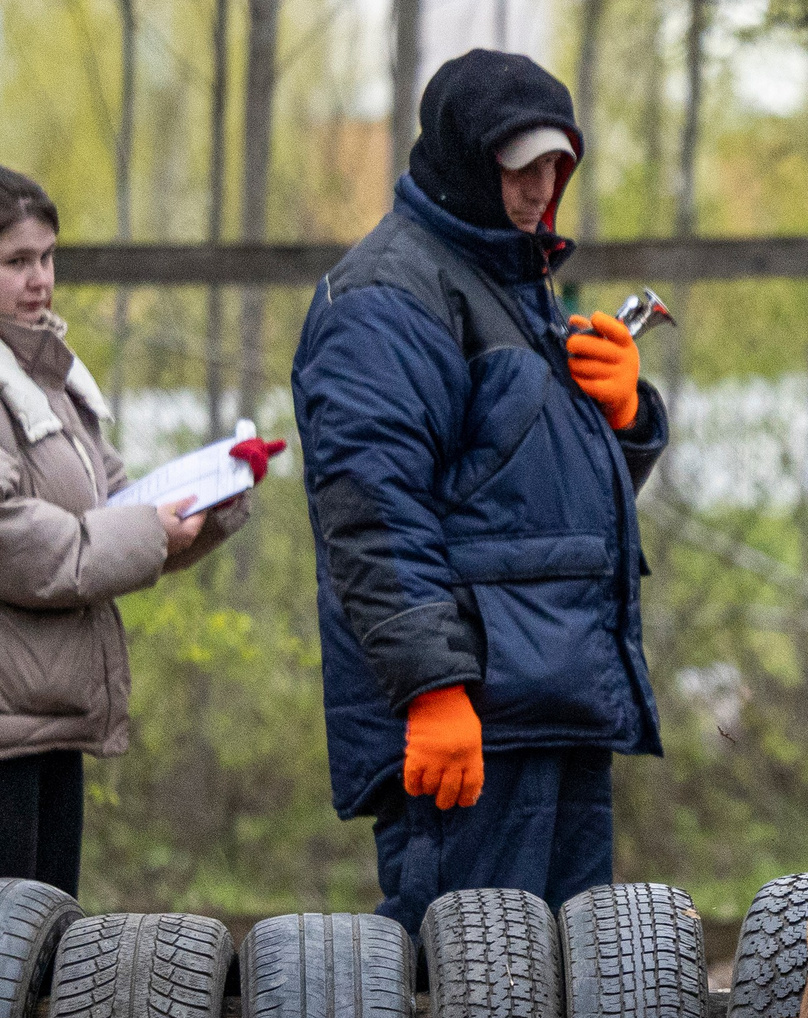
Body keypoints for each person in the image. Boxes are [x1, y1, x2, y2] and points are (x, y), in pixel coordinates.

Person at [292, 49, 666, 933]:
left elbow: (532, 493)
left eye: (557, 167)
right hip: (472, 726)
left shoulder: (514, 284)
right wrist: (432, 689)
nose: (542, 188)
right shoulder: (385, 298)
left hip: (554, 708)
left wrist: (626, 418)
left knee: (566, 1008)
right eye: (520, 165)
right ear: (466, 158)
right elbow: (372, 513)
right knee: (469, 1017)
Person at [0, 167, 265, 897]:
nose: (40, 280)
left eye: (47, 257)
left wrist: (212, 499)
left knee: (45, 964)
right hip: (6, 731)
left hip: (49, 720)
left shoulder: (51, 377)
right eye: (17, 261)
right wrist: (146, 531)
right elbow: (13, 539)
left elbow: (115, 502)